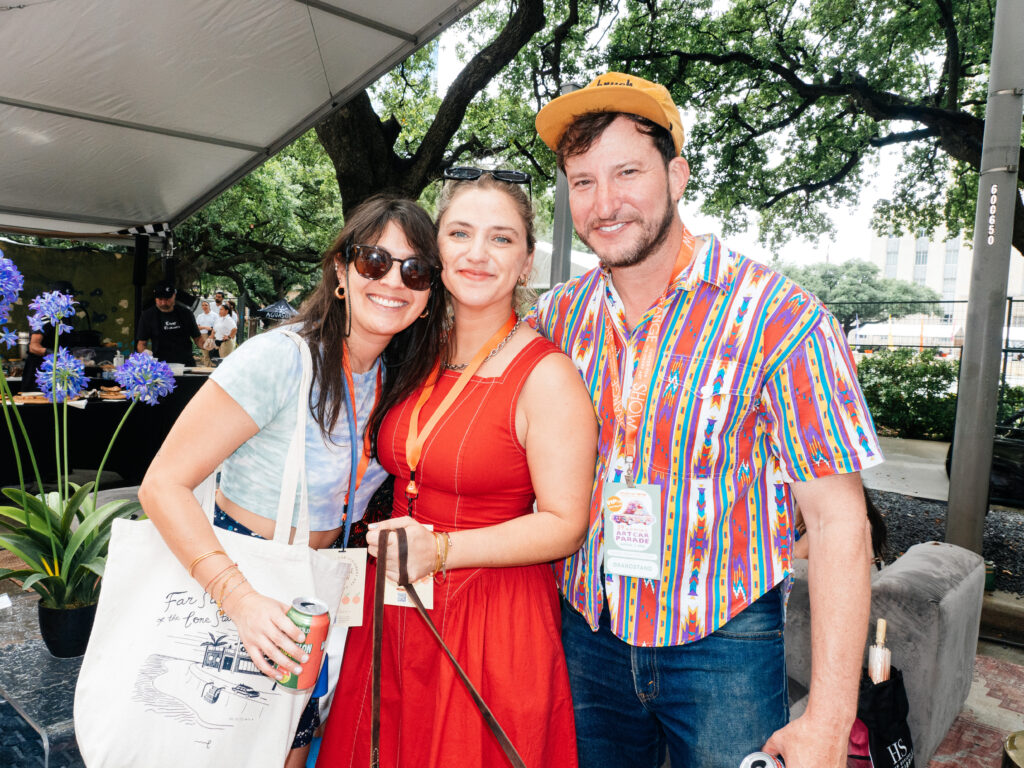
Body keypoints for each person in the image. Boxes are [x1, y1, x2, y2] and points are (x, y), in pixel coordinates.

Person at [530, 72, 885, 768]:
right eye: (582, 181)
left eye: (627, 172)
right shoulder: (557, 317)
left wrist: (829, 716)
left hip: (724, 642)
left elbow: (841, 521)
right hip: (586, 631)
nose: (605, 203)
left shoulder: (781, 316)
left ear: (678, 174)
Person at [138, 196, 446, 768]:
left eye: (415, 269)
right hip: (239, 585)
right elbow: (162, 484)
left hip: (316, 594)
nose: (394, 281)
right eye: (375, 260)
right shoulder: (279, 359)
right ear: (341, 271)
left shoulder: (395, 380)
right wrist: (241, 600)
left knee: (289, 752)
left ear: (429, 295)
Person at [317, 170, 598, 768]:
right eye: (460, 233)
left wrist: (442, 550)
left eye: (501, 239)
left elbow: (565, 523)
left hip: (490, 614)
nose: (477, 254)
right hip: (391, 606)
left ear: (526, 263)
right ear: (435, 248)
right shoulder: (415, 351)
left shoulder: (547, 376)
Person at [135, 281, 202, 365]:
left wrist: (206, 344)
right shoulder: (147, 315)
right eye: (160, 299)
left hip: (185, 364)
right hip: (160, 365)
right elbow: (141, 343)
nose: (163, 303)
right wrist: (144, 353)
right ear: (155, 298)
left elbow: (198, 339)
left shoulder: (186, 313)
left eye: (167, 299)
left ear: (174, 295)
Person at [195, 300, 217, 366]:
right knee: (205, 351)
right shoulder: (200, 316)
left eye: (206, 305)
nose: (204, 306)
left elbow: (217, 326)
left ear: (209, 306)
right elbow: (197, 327)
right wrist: (205, 327)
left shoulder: (214, 315)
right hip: (203, 334)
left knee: (212, 351)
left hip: (212, 334)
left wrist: (212, 333)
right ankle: (207, 366)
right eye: (203, 305)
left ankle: (213, 366)